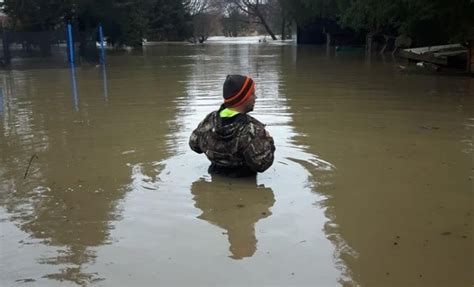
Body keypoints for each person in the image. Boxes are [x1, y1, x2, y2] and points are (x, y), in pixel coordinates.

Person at [189, 74, 275, 177]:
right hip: (245, 186)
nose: (255, 97)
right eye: (252, 94)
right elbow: (262, 164)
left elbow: (194, 145)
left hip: (214, 180)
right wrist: (268, 140)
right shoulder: (252, 129)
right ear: (244, 98)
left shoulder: (209, 120)